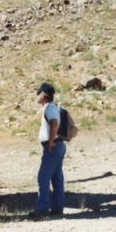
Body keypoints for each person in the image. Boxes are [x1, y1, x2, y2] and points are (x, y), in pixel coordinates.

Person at [29, 82, 66, 217]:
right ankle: (57, 208)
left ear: (43, 96)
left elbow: (54, 124)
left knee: (43, 178)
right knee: (57, 179)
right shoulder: (52, 107)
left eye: (39, 93)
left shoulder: (49, 108)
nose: (37, 95)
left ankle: (42, 209)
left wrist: (50, 142)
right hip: (57, 146)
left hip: (53, 147)